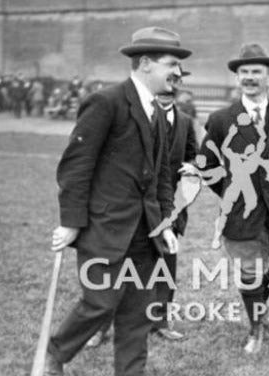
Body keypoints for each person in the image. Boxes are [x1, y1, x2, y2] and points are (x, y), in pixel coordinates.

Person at [43, 26, 191, 376]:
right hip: (103, 227)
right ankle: (54, 356)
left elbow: (159, 176)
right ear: (144, 64)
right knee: (102, 302)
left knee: (140, 307)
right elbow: (75, 165)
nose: (176, 73)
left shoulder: (158, 112)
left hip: (145, 232)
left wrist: (164, 223)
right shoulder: (105, 102)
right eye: (171, 65)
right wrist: (71, 222)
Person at [198, 43, 269, 354]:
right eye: (243, 72)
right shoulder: (220, 119)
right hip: (242, 213)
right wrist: (232, 192)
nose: (249, 77)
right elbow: (207, 165)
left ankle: (260, 308)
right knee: (249, 273)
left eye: (256, 71)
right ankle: (255, 328)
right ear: (237, 78)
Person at [85, 71, 198, 347]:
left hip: (169, 205)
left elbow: (194, 156)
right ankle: (101, 326)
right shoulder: (139, 116)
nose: (169, 90)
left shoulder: (185, 122)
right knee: (118, 267)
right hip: (135, 206)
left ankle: (160, 320)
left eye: (175, 85)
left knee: (165, 265)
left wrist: (194, 166)